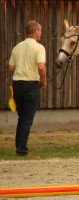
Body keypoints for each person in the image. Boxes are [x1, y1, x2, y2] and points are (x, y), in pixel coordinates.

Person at [8, 21, 47, 156]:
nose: (40, 33)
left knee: (21, 117)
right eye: (40, 31)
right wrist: (43, 79)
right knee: (27, 119)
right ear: (36, 31)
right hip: (31, 85)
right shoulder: (39, 47)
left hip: (17, 85)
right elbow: (41, 66)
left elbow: (11, 68)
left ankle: (19, 146)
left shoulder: (17, 47)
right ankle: (22, 149)